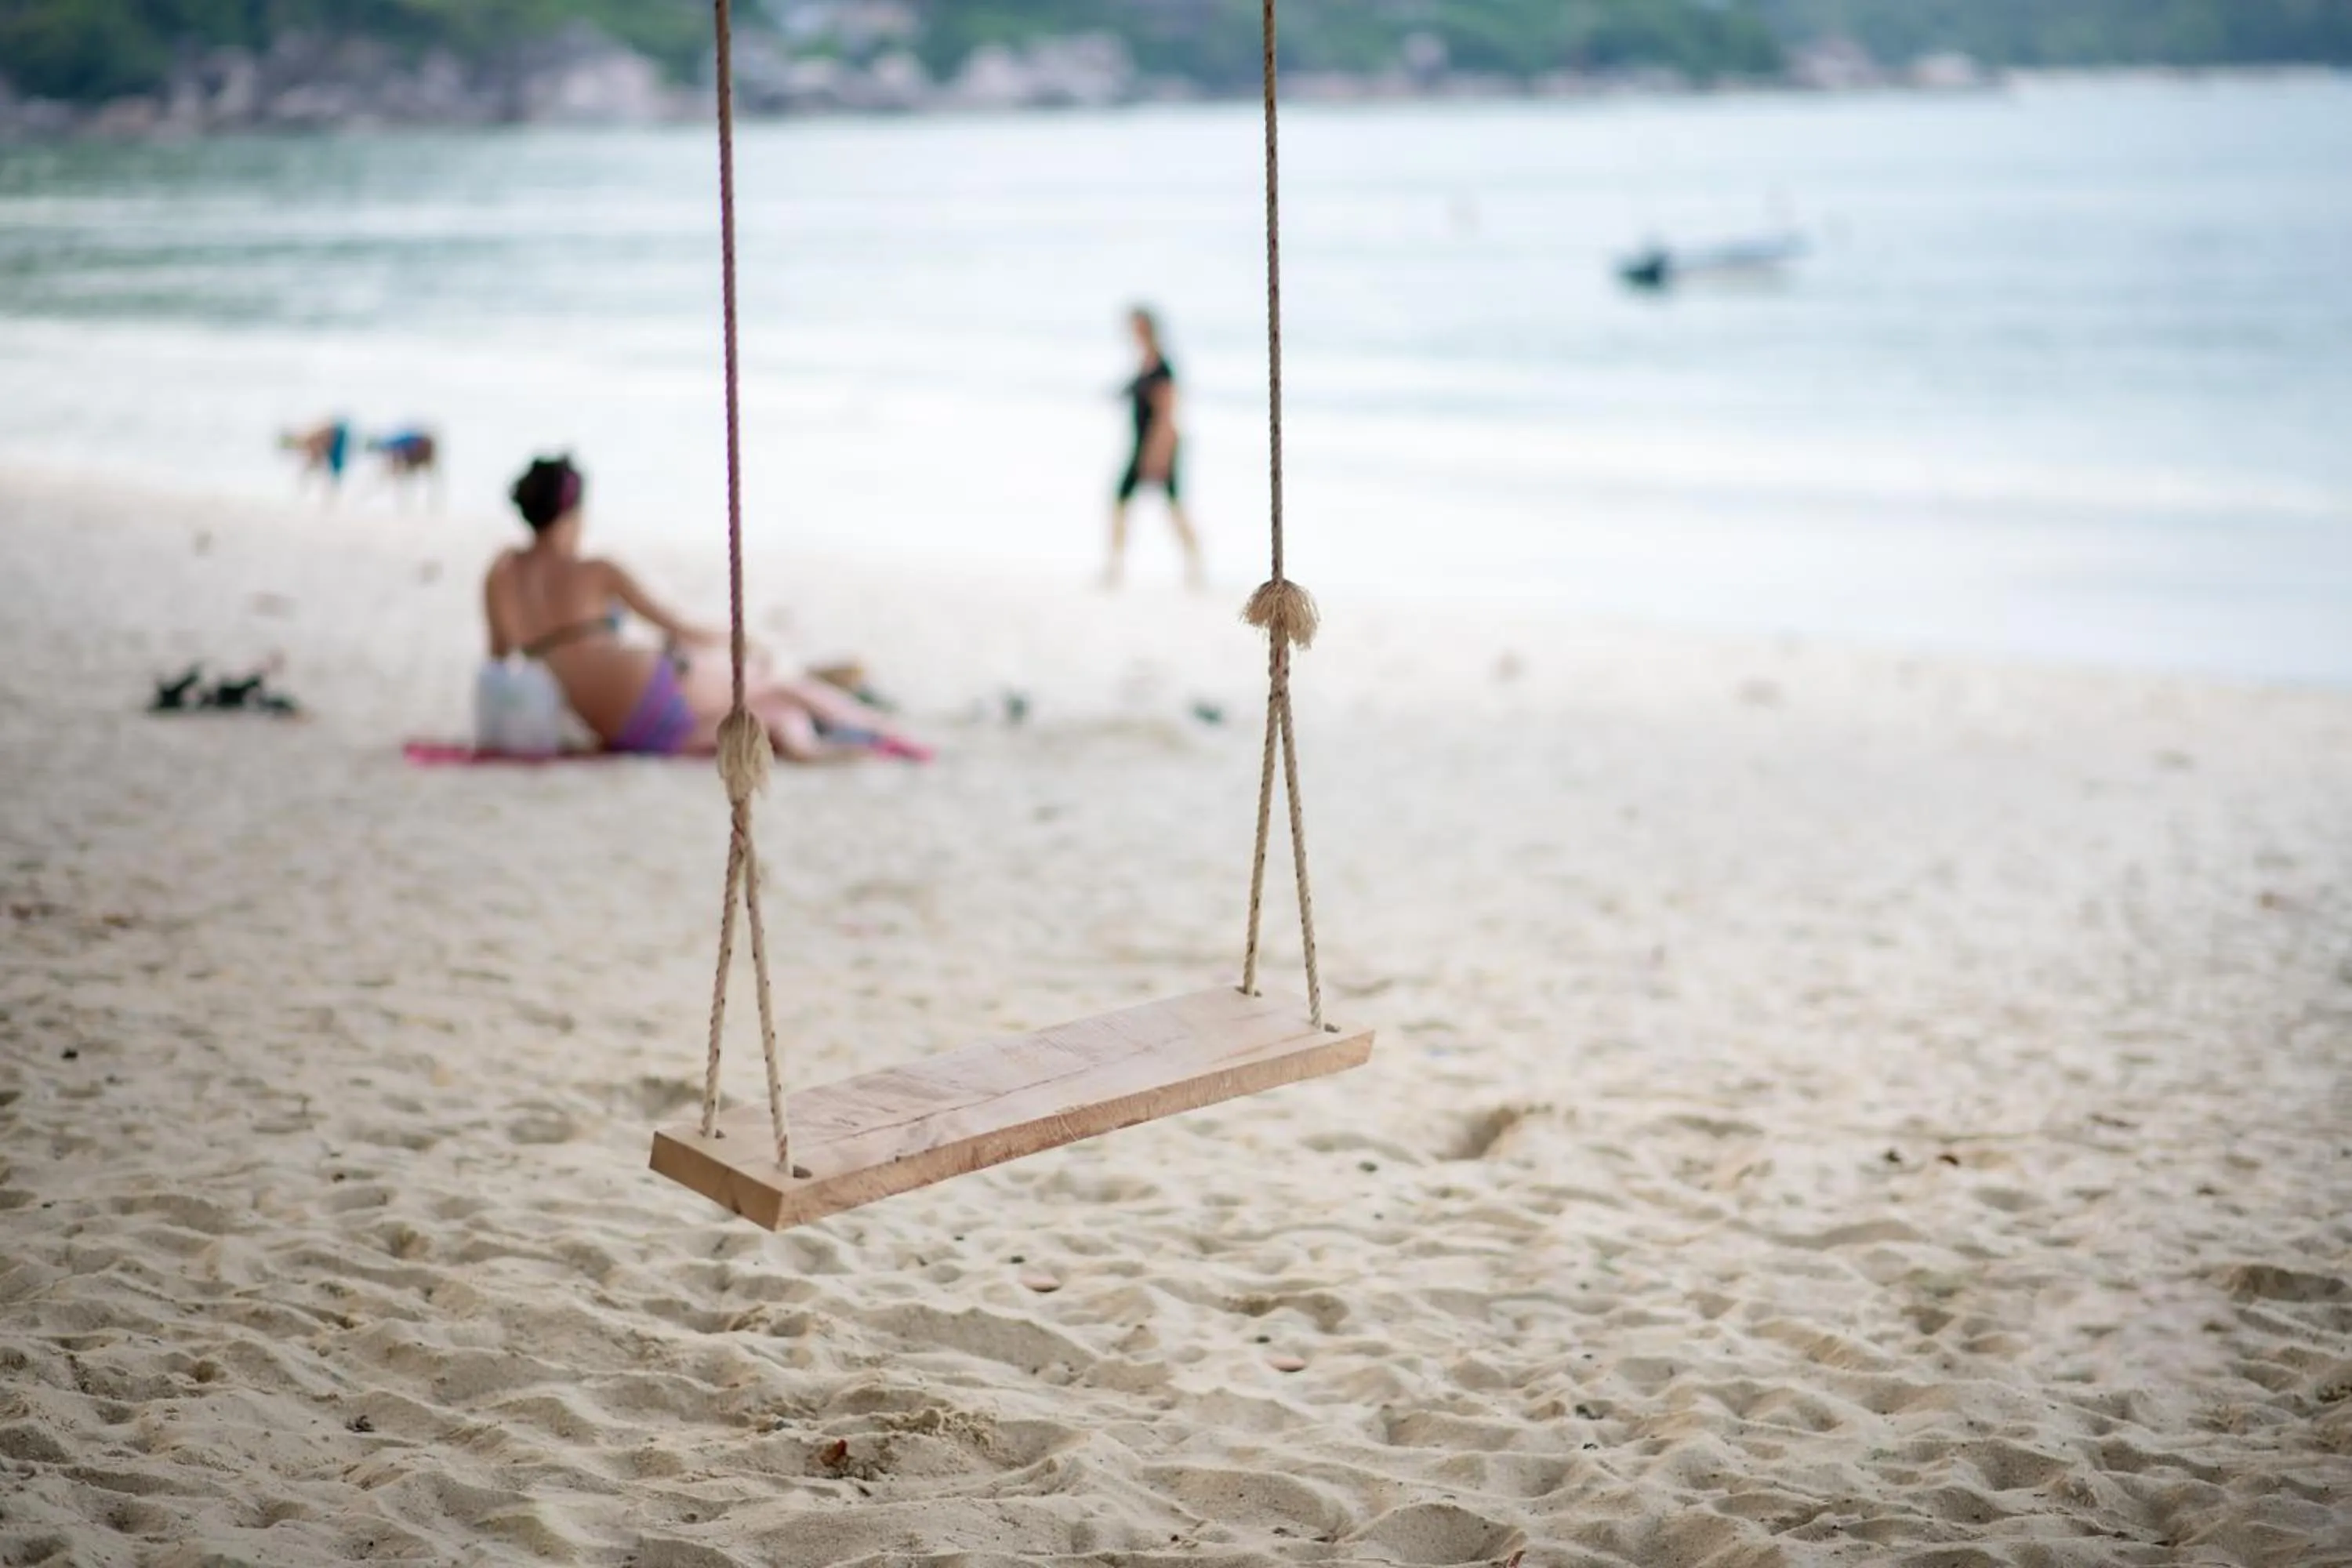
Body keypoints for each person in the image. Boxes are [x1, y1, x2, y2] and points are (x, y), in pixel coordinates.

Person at [480, 456, 930, 762]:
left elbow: (501, 658)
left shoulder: (501, 575)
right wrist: (741, 640)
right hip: (657, 690)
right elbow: (680, 627)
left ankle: (812, 742)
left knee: (770, 713)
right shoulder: (596, 570)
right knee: (778, 684)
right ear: (573, 513)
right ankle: (886, 731)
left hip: (619, 731)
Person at [1105, 306, 1203, 591]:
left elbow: (1166, 416)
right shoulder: (1144, 363)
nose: (1131, 332)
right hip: (1141, 444)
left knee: (1174, 507)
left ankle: (1196, 566)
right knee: (1121, 503)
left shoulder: (1162, 367)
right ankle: (1115, 567)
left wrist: (1156, 456)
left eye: (1136, 327)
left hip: (1160, 445)